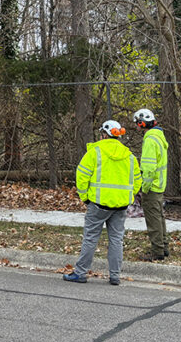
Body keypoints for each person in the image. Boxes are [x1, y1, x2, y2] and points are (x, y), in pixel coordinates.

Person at [64, 120, 142, 286]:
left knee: (91, 238)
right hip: (121, 206)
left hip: (98, 204)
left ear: (104, 134)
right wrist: (126, 197)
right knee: (116, 240)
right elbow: (137, 181)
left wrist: (85, 197)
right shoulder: (129, 156)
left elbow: (82, 176)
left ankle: (80, 273)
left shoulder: (95, 152)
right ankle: (115, 276)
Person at [134, 108, 170, 260]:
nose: (136, 127)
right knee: (159, 217)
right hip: (160, 185)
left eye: (137, 123)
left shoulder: (150, 140)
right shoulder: (158, 137)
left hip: (152, 187)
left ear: (142, 123)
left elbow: (148, 168)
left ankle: (157, 251)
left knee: (153, 219)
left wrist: (144, 188)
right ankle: (163, 246)